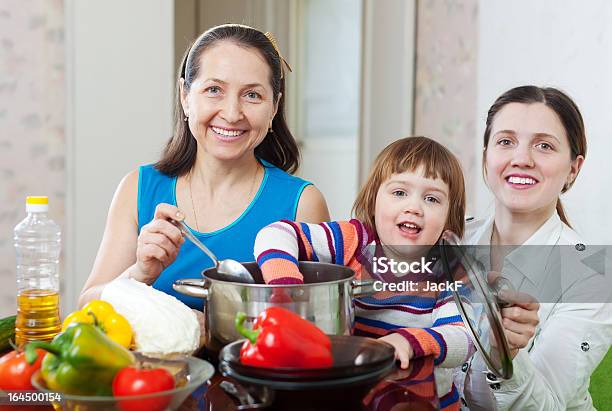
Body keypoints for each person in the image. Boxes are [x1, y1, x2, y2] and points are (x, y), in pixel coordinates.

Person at [78, 24, 329, 309]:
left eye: (252, 95)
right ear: (185, 96)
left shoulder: (302, 204)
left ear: (274, 107)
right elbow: (86, 306)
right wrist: (139, 274)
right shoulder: (138, 188)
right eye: (214, 90)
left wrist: (210, 329)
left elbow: (316, 320)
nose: (232, 114)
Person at [254, 137, 475, 410]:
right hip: (352, 394)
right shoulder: (353, 240)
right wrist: (286, 287)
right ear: (373, 201)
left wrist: (410, 341)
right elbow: (275, 233)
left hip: (420, 401)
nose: (414, 207)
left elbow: (463, 338)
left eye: (431, 199)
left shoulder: (450, 271)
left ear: (449, 220)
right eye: (399, 193)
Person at [459, 85, 612, 410]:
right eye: (505, 142)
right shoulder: (452, 241)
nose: (521, 159)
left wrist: (506, 358)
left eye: (544, 145)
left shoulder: (594, 274)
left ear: (573, 168)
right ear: (486, 155)